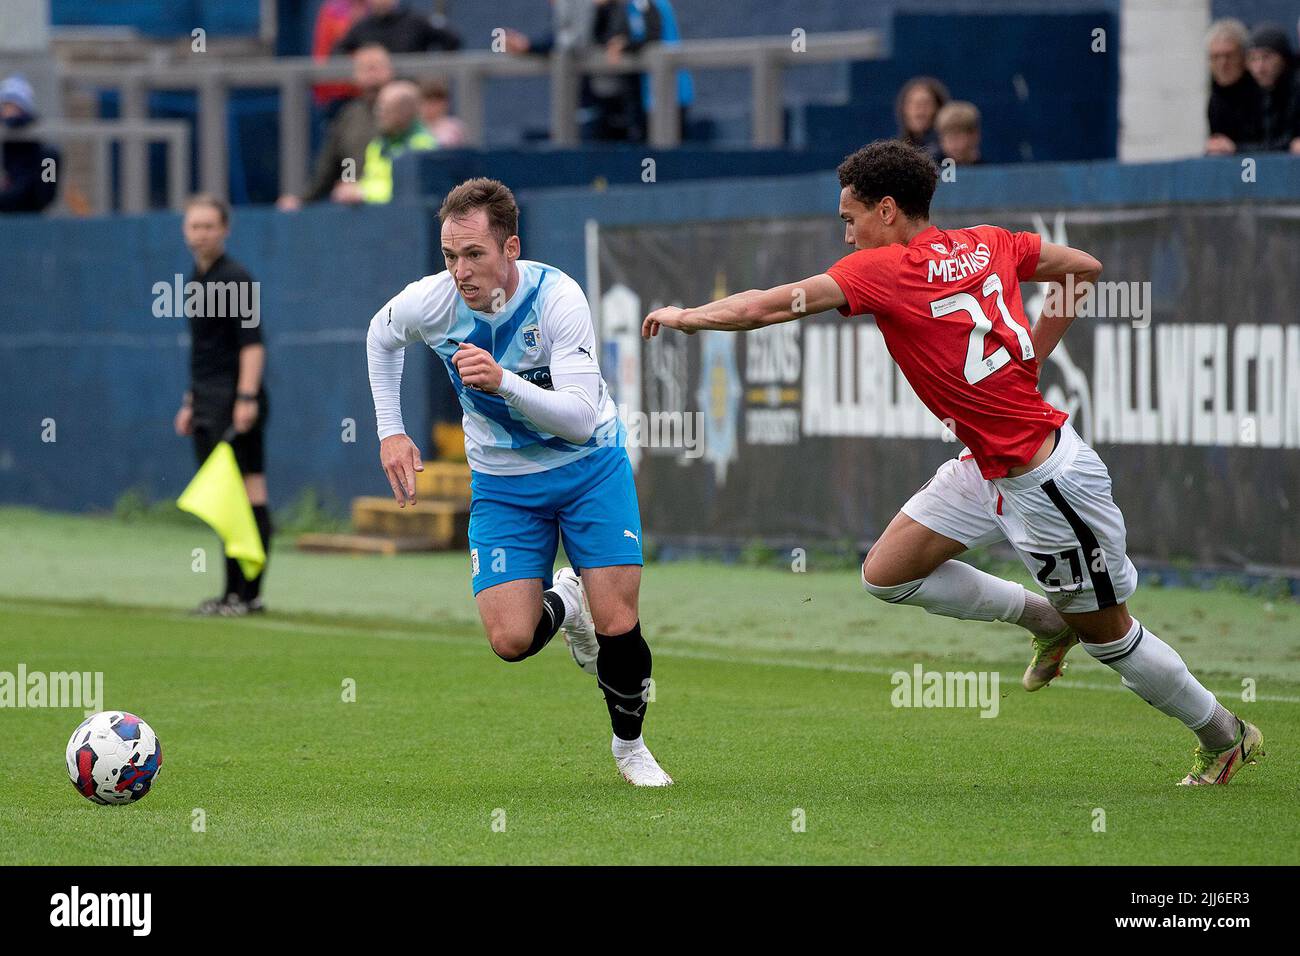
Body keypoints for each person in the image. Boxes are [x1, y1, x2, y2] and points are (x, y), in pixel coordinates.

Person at [643, 140, 1263, 787]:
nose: (847, 234)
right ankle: (1044, 617)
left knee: (1109, 635)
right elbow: (1082, 267)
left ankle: (1225, 736)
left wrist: (687, 317)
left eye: (849, 219)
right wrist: (1032, 357)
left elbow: (765, 305)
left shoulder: (882, 269)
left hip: (1047, 483)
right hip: (988, 466)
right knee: (888, 574)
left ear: (887, 210)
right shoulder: (991, 241)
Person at [366, 177, 671, 786]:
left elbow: (583, 418)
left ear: (511, 248)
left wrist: (504, 380)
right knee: (510, 639)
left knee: (619, 622)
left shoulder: (558, 296)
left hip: (590, 469)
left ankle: (630, 748)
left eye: (474, 254)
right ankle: (568, 598)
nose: (460, 271)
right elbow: (380, 337)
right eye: (450, 256)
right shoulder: (430, 303)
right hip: (504, 484)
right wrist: (390, 431)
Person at [173, 195, 274, 617]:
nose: (201, 234)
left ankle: (248, 594)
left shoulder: (235, 277)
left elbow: (251, 345)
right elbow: (206, 351)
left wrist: (246, 399)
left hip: (236, 406)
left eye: (209, 226)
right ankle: (230, 592)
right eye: (194, 226)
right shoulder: (196, 279)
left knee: (248, 495)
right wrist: (190, 402)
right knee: (224, 502)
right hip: (208, 405)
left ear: (225, 229)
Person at [278, 44, 393, 210]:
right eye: (365, 68)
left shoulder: (406, 111)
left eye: (376, 67)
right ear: (355, 75)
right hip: (356, 208)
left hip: (396, 203)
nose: (371, 73)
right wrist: (303, 200)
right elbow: (341, 159)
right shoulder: (350, 116)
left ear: (389, 71)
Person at [341, 80, 435, 205]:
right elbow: (370, 181)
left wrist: (363, 193)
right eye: (378, 107)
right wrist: (352, 189)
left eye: (384, 109)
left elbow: (405, 192)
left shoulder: (423, 146)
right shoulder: (376, 145)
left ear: (404, 112)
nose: (378, 113)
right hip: (376, 215)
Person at [0, 74, 59, 214]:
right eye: (5, 105)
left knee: (50, 157)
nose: (7, 110)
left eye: (11, 105)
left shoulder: (26, 124)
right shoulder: (6, 129)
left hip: (30, 188)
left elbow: (20, 121)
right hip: (14, 184)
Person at [1205, 18, 1259, 155]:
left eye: (1228, 56)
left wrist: (1236, 148)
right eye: (1216, 57)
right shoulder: (1216, 98)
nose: (1222, 64)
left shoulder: (1262, 91)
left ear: (1243, 57)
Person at [1243, 24, 1299, 153]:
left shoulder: (1295, 89)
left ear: (1284, 59)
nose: (1259, 68)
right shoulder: (1255, 94)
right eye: (1253, 59)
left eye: (1267, 57)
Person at [334, 0, 460, 55]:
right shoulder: (361, 27)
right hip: (372, 96)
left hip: (413, 93)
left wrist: (436, 71)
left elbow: (452, 39)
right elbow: (337, 52)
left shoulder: (415, 20)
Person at [895, 76, 948, 163]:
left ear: (939, 108)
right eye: (912, 103)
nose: (919, 108)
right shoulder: (896, 151)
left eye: (925, 103)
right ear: (904, 110)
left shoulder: (951, 151)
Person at [418, 77, 467, 148]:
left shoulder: (455, 127)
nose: (432, 107)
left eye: (436, 103)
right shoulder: (413, 126)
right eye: (428, 102)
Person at [935, 100, 981, 166]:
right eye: (949, 137)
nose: (953, 144)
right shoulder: (932, 171)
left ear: (974, 135)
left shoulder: (991, 171)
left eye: (957, 136)